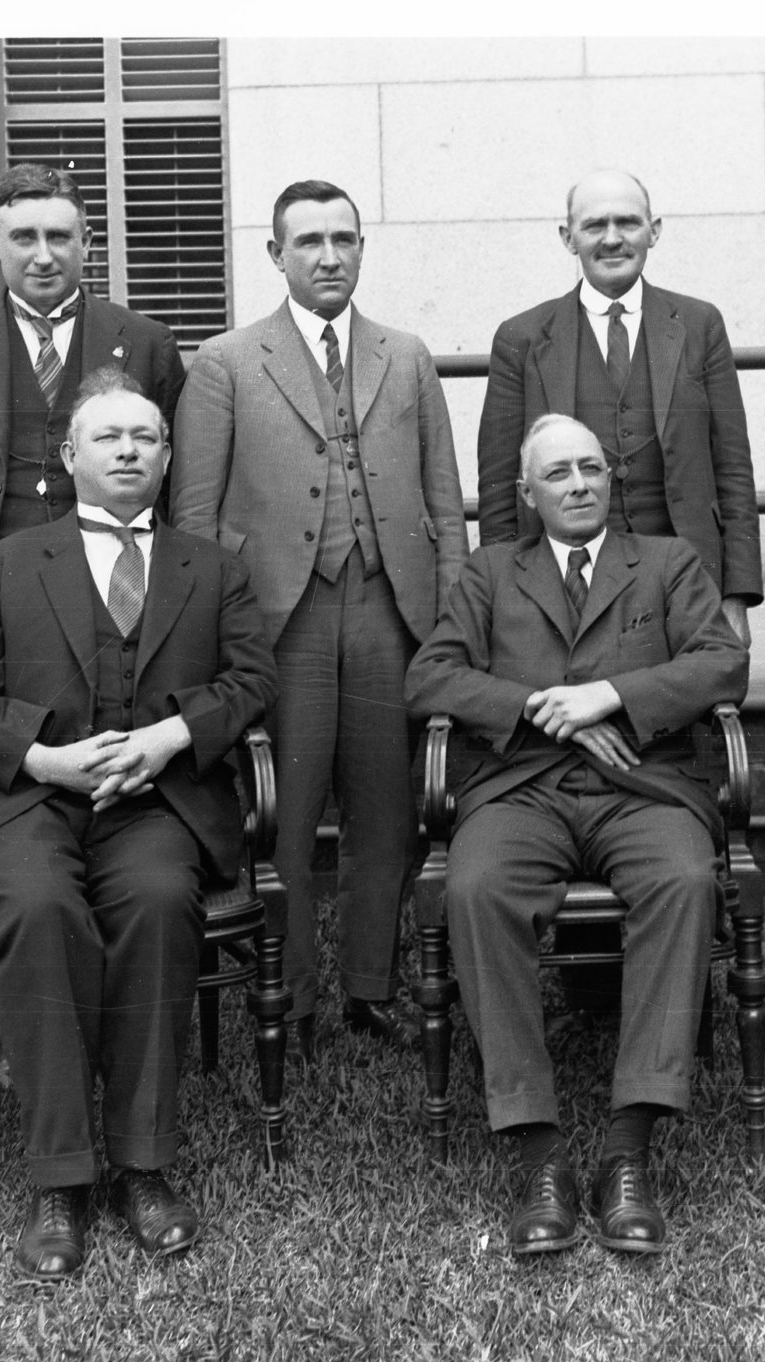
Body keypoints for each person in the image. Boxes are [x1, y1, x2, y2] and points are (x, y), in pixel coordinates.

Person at [0, 370, 278, 1282]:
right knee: (39, 910)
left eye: (147, 438)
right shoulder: (3, 566)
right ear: (68, 456)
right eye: (109, 437)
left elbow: (252, 682)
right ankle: (60, 1179)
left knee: (160, 903)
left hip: (156, 803)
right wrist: (41, 758)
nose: (130, 451)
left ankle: (143, 1167)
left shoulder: (214, 567)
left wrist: (168, 739)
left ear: (167, 458)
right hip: (31, 802)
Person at [405, 414, 749, 1256]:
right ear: (527, 494)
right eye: (558, 474)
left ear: (613, 479)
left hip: (645, 786)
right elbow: (429, 675)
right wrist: (533, 708)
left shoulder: (667, 563)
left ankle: (629, 1145)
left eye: (593, 468)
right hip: (522, 789)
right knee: (477, 887)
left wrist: (609, 697)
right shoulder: (492, 573)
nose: (580, 484)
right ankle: (539, 1152)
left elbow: (722, 662)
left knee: (683, 881)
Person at [170, 179, 467, 1053]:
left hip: (388, 606)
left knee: (387, 812)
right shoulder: (226, 362)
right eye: (308, 242)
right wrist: (216, 637)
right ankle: (291, 995)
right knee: (285, 811)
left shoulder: (404, 355)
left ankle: (371, 989)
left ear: (363, 248)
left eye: (344, 239)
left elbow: (446, 505)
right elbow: (194, 516)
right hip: (279, 618)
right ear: (275, 255)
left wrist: (447, 619)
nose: (329, 256)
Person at [0, 163, 185, 658]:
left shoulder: (147, 343)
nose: (43, 257)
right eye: (23, 238)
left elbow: (173, 476)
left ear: (87, 242)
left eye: (59, 237)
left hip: (114, 578)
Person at [476, 169, 760, 646]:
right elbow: (501, 485)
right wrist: (505, 598)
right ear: (569, 238)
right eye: (594, 226)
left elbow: (732, 468)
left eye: (627, 223)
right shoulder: (521, 337)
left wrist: (736, 596)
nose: (612, 239)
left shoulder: (698, 324)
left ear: (654, 230)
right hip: (562, 581)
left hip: (685, 575)